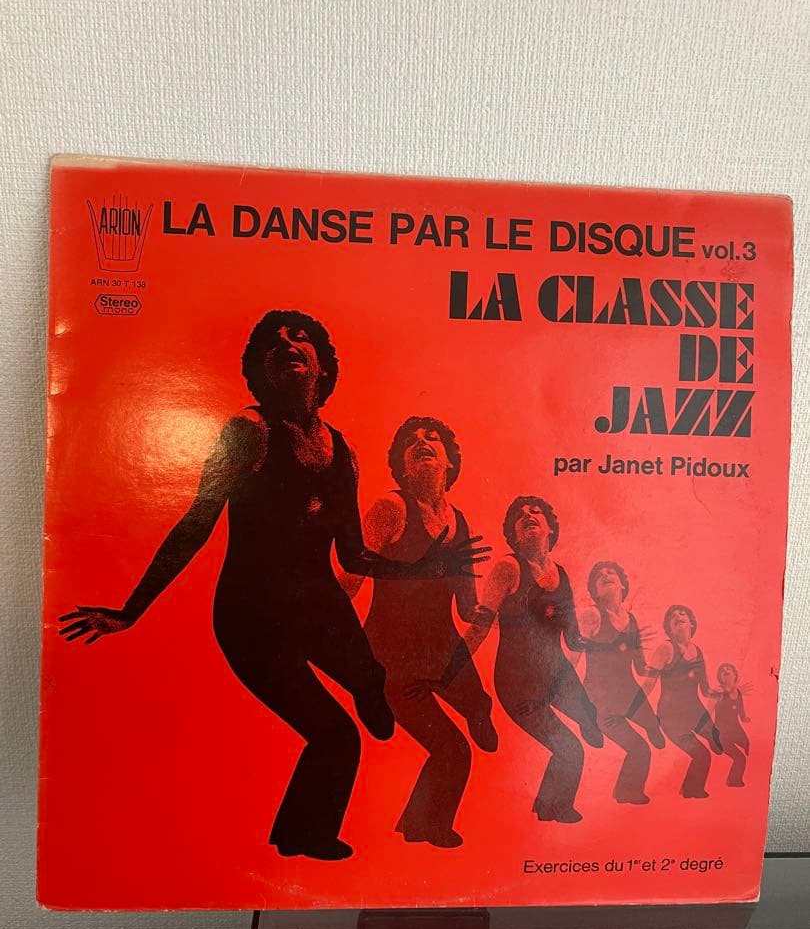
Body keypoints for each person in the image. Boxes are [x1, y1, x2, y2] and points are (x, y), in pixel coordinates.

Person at [59, 310, 489, 861]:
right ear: (260, 369)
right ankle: (303, 837)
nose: (287, 343)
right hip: (252, 616)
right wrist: (131, 610)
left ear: (322, 365)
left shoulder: (343, 451)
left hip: (319, 605)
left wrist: (426, 567)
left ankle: (367, 693)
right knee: (337, 736)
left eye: (300, 337)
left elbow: (354, 555)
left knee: (373, 680)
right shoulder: (249, 432)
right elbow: (197, 522)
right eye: (273, 342)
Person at [342, 416, 497, 849]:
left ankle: (477, 711)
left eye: (432, 439)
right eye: (410, 443)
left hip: (444, 652)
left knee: (478, 705)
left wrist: (499, 609)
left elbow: (466, 607)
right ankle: (426, 827)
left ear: (449, 462)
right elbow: (350, 581)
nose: (421, 443)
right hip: (390, 658)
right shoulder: (390, 509)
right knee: (454, 750)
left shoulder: (460, 522)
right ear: (402, 467)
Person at [461, 497, 603, 824]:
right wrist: (451, 665)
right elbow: (481, 625)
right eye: (519, 516)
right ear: (513, 535)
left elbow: (573, 637)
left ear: (550, 528)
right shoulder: (508, 568)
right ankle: (553, 809)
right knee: (571, 749)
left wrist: (601, 642)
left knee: (591, 716)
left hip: (556, 675)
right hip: (518, 685)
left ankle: (547, 805)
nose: (527, 515)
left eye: (535, 512)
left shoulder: (561, 574)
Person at [578, 562, 664, 805]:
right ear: (595, 591)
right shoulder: (592, 615)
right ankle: (627, 793)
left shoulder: (631, 619)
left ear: (623, 585)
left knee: (654, 726)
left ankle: (652, 725)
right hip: (600, 700)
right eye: (598, 576)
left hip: (629, 695)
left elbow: (640, 667)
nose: (605, 575)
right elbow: (575, 653)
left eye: (611, 573)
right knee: (641, 749)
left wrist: (663, 666)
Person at [646, 604, 723, 799]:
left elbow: (705, 690)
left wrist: (718, 692)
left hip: (695, 712)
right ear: (669, 628)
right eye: (672, 616)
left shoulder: (698, 651)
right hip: (671, 718)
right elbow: (648, 685)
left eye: (683, 614)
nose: (677, 616)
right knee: (702, 755)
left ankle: (712, 739)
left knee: (718, 742)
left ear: (691, 623)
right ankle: (691, 791)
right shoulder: (665, 648)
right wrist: (635, 709)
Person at [712, 662, 751, 787]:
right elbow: (708, 711)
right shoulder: (718, 692)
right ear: (720, 678)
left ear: (735, 674)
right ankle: (733, 781)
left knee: (748, 747)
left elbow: (741, 712)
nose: (725, 670)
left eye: (728, 669)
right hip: (721, 733)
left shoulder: (738, 693)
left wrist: (745, 718)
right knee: (740, 758)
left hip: (735, 730)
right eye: (722, 670)